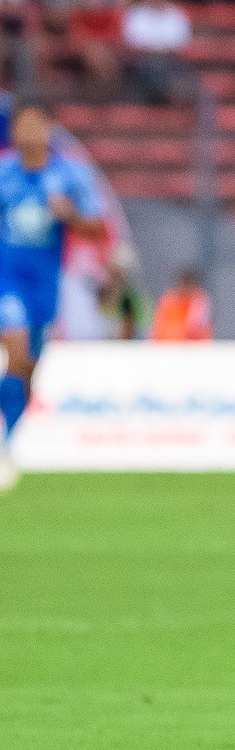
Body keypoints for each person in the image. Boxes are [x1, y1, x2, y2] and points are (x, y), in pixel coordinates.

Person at [0, 100, 108, 492]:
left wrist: (71, 216)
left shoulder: (70, 175)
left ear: (49, 129)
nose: (27, 133)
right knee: (15, 348)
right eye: (21, 125)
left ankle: (7, 443)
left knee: (28, 369)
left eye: (35, 125)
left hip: (44, 285)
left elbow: (98, 230)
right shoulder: (4, 173)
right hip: (7, 278)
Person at [150, 266, 213, 342]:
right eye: (183, 283)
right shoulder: (169, 300)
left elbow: (194, 328)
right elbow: (158, 328)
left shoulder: (199, 300)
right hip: (167, 345)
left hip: (193, 346)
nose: (185, 288)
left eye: (189, 284)